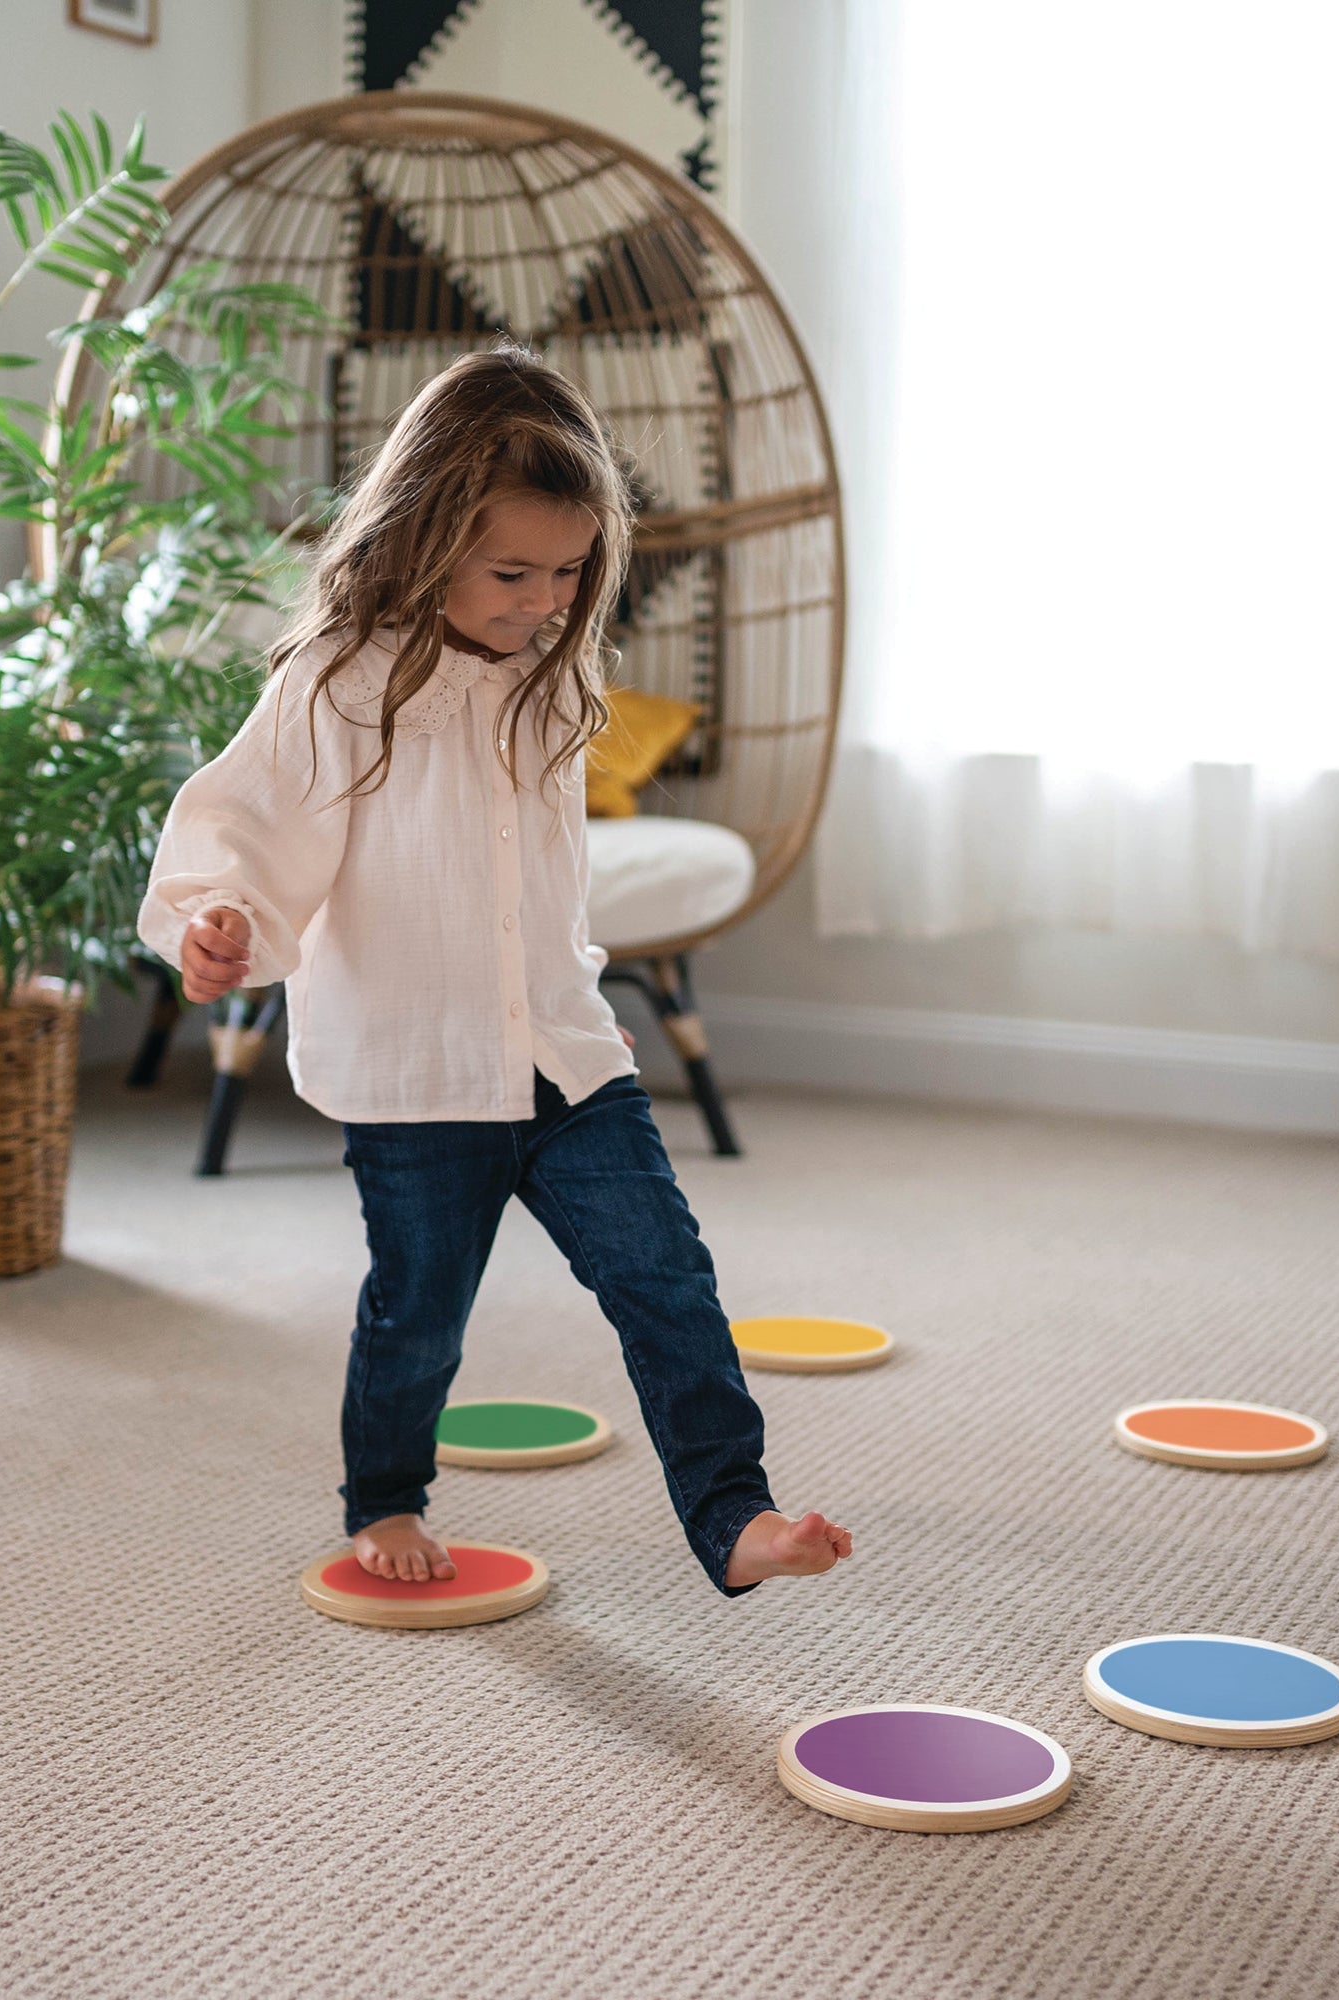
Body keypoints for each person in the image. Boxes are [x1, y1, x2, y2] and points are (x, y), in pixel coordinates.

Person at [137, 343, 853, 1597]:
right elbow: (246, 827)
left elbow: (538, 880)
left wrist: (572, 1001)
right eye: (509, 571)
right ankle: (386, 1495)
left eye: (568, 570)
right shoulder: (340, 681)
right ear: (420, 538)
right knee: (419, 1309)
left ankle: (731, 1511)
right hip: (412, 1075)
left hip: (562, 1058)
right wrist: (220, 919)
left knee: (664, 1272)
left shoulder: (551, 678)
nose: (540, 596)